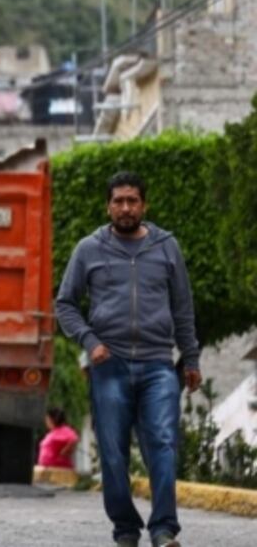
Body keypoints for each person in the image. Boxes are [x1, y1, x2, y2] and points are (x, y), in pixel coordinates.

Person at [56, 171, 201, 547]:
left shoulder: (167, 247)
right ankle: (125, 529)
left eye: (132, 201)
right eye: (118, 201)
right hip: (109, 365)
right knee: (113, 453)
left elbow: (182, 309)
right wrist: (90, 341)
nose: (125, 208)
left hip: (158, 365)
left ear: (144, 205)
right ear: (108, 206)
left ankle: (163, 529)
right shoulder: (89, 249)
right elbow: (65, 304)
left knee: (163, 444)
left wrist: (191, 359)